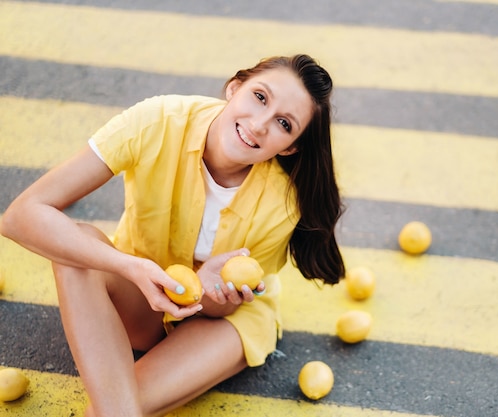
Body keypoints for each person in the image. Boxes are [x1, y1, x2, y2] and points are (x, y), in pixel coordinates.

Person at [0, 54, 345, 416]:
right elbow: (20, 217)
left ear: (290, 147)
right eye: (260, 97)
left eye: (284, 124)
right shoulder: (158, 121)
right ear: (235, 87)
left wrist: (211, 290)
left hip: (220, 322)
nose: (259, 125)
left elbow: (221, 306)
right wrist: (129, 267)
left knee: (110, 412)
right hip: (141, 299)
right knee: (78, 249)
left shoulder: (284, 203)